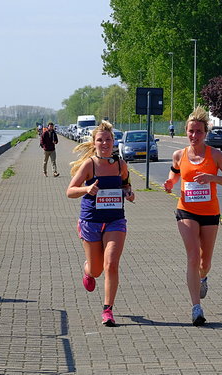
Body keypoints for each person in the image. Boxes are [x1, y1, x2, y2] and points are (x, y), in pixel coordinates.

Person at [163, 106, 222, 326]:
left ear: (206, 133)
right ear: (185, 131)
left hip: (210, 213)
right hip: (186, 209)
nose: (194, 136)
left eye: (199, 132)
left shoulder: (215, 155)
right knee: (193, 256)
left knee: (205, 262)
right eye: (191, 131)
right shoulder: (179, 155)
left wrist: (212, 178)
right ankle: (196, 308)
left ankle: (203, 277)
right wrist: (170, 183)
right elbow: (175, 174)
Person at [67, 121, 135, 327]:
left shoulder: (120, 165)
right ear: (94, 143)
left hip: (115, 221)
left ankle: (108, 310)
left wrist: (129, 193)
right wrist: (86, 190)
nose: (104, 143)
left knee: (111, 264)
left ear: (114, 142)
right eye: (100, 140)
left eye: (108, 139)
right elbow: (70, 191)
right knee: (97, 270)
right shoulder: (90, 165)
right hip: (91, 221)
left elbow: (126, 185)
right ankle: (88, 270)